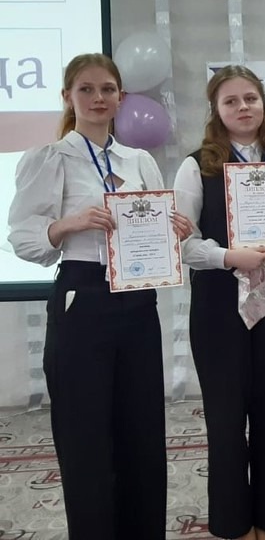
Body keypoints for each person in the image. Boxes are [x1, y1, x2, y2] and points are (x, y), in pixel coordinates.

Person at [7, 53, 193, 539]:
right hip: (82, 296)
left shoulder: (140, 161)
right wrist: (69, 223)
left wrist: (175, 230)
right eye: (86, 89)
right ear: (67, 96)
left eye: (107, 89)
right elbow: (22, 239)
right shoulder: (50, 158)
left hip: (137, 299)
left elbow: (155, 231)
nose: (97, 98)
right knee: (85, 433)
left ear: (121, 97)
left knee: (141, 429)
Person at [174, 65, 265, 540]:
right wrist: (226, 256)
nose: (243, 107)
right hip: (219, 303)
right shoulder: (196, 166)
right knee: (225, 416)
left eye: (251, 99)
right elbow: (182, 244)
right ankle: (234, 525)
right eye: (231, 101)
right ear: (216, 110)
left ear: (263, 104)